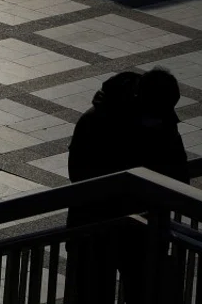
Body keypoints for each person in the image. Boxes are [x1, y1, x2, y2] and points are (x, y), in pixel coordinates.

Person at [65, 71, 142, 304]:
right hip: (101, 223)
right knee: (96, 286)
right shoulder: (104, 123)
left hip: (97, 222)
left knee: (93, 287)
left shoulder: (96, 119)